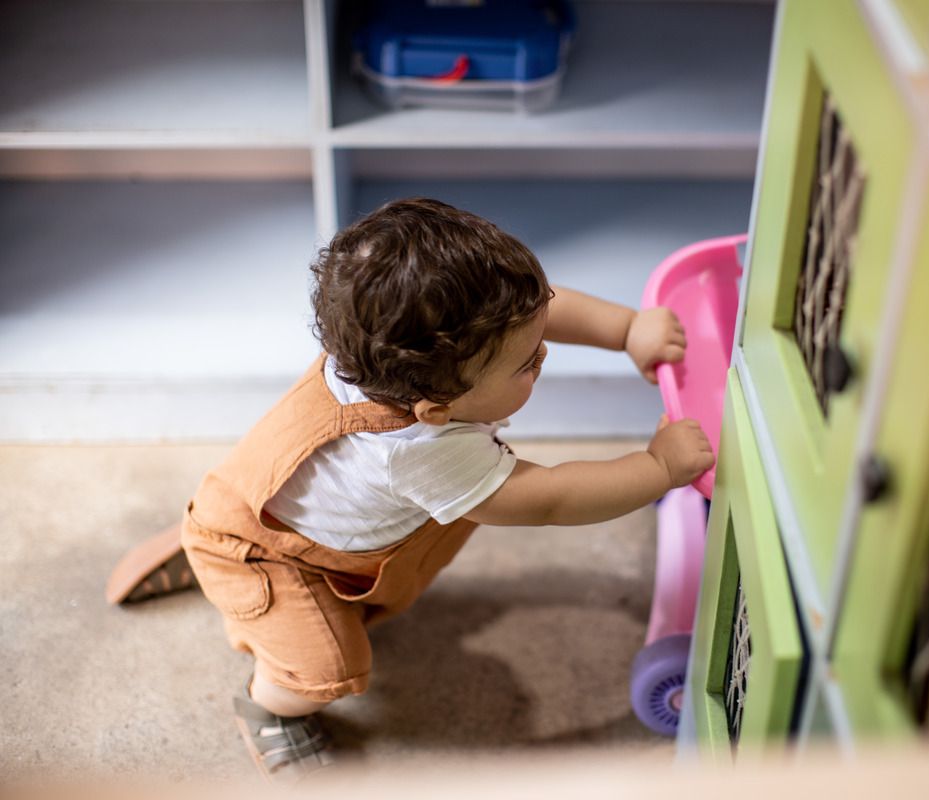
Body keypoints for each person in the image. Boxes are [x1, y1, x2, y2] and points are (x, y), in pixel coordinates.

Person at [149, 197, 712, 785]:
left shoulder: (382, 340)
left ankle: (213, 544)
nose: (542, 354)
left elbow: (541, 308)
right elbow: (549, 497)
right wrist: (657, 468)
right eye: (526, 363)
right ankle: (266, 703)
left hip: (264, 504)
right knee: (326, 667)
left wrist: (626, 329)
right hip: (277, 555)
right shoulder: (420, 451)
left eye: (538, 340)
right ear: (436, 411)